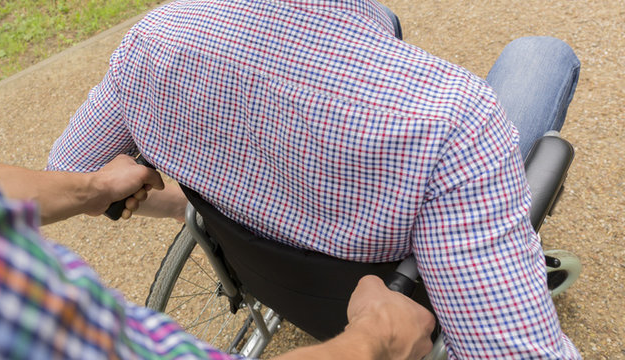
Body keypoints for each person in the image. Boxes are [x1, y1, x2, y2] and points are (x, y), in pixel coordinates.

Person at [0, 1, 435, 358]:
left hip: (258, 251)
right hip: (376, 267)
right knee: (531, 67)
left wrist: (95, 189)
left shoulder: (156, 40)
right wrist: (369, 339)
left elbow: (39, 169)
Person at [45, 0, 581, 358]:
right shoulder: (452, 116)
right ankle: (498, 248)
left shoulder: (155, 38)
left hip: (265, 270)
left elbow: (69, 169)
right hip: (392, 288)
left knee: (381, 16)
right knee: (543, 55)